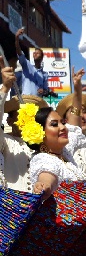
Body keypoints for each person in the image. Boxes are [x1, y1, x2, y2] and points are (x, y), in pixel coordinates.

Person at [1, 59, 48, 192]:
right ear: (10, 121)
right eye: (22, 113)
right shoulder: (6, 142)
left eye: (32, 114)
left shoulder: (46, 145)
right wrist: (5, 88)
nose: (28, 118)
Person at [14, 28, 50, 97]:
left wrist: (43, 90)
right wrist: (16, 38)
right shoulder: (27, 65)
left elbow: (46, 90)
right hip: (26, 99)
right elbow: (19, 52)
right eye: (34, 53)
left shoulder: (44, 74)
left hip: (37, 101)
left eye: (37, 53)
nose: (35, 54)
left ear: (42, 57)